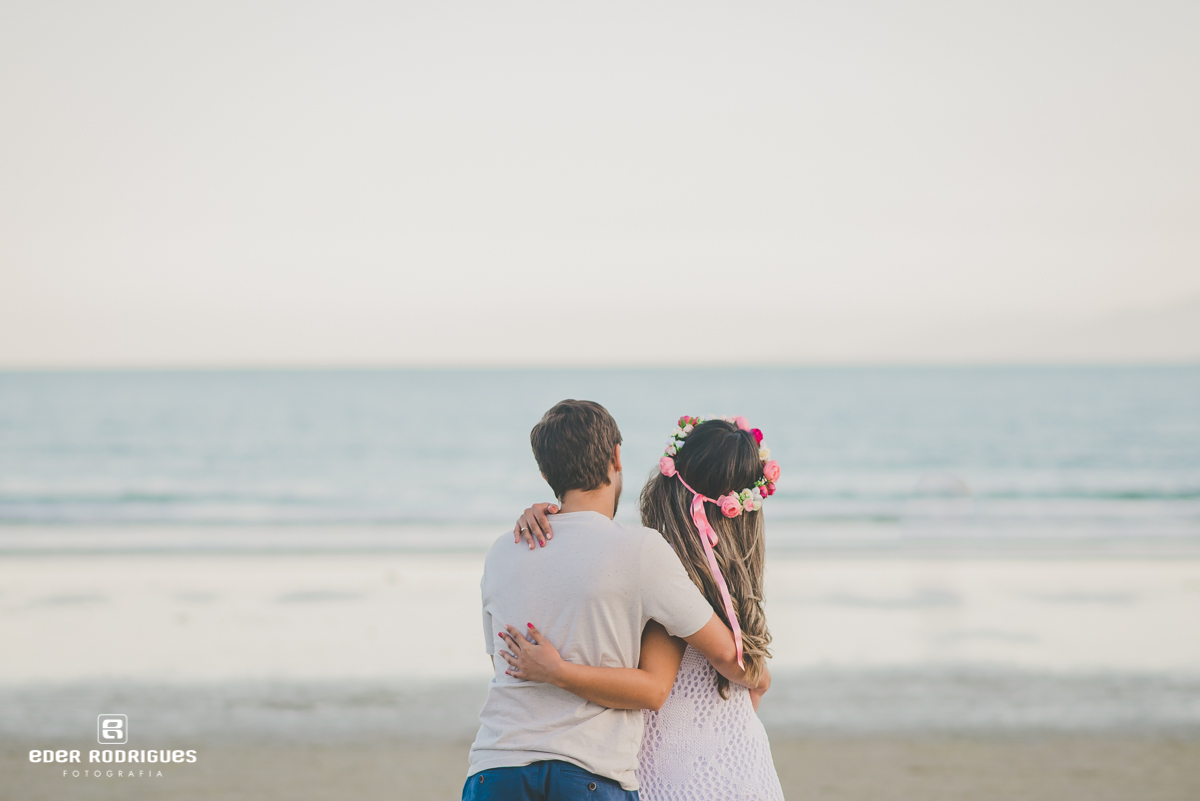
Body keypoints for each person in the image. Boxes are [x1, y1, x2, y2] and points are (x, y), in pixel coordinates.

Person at [464, 400, 765, 801]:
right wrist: (760, 676)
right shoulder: (640, 551)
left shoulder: (503, 550)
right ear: (616, 456)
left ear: (545, 473)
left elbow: (503, 664)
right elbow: (726, 658)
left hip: (493, 769)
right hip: (586, 773)